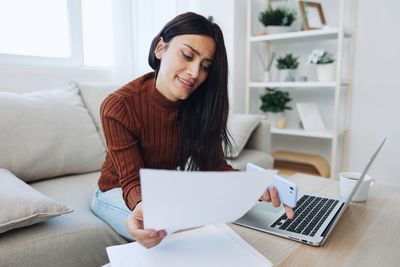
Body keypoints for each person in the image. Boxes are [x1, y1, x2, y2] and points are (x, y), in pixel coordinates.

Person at [90, 12, 294, 249]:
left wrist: (255, 185)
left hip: (162, 192)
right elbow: (132, 181)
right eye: (187, 55)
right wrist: (145, 207)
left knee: (226, 220)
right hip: (116, 191)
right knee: (169, 229)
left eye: (205, 66)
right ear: (160, 48)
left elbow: (214, 165)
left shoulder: (198, 105)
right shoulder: (119, 105)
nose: (195, 73)